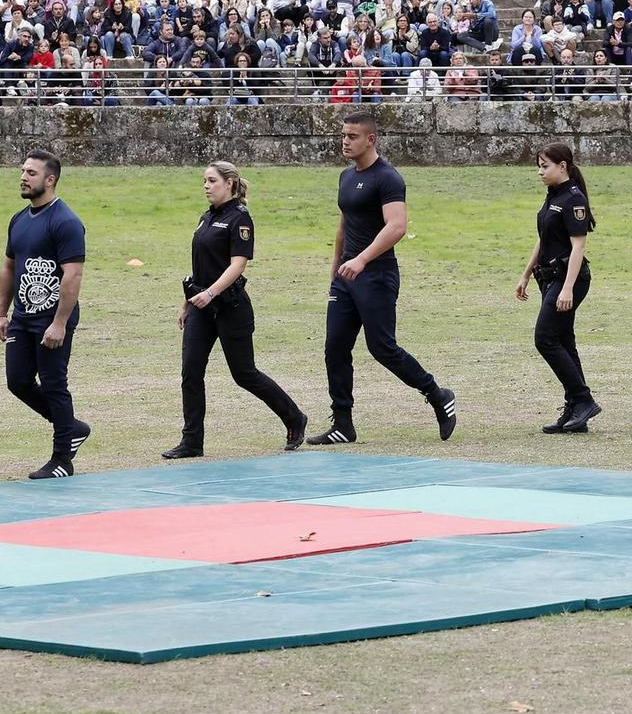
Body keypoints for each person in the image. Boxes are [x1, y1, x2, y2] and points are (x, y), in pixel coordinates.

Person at [307, 111, 457, 445]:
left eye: (352, 136)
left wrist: (361, 260)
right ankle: (343, 424)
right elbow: (345, 226)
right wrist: (337, 267)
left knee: (382, 348)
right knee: (335, 347)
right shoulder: (346, 177)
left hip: (376, 275)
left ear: (370, 139)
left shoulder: (387, 178)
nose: (345, 141)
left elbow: (397, 226)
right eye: (343, 135)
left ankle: (437, 394)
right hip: (346, 277)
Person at [164, 161, 307, 459]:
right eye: (204, 180)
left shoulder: (239, 219)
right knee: (190, 373)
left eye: (212, 181)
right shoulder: (205, 218)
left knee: (244, 374)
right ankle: (192, 441)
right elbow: (199, 267)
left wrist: (211, 292)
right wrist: (188, 303)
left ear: (229, 183)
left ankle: (294, 418)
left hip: (230, 306)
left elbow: (237, 264)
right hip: (201, 308)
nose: (206, 186)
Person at [0, 150, 91, 477]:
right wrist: (1, 313)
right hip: (22, 318)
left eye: (31, 173)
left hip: (53, 320)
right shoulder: (19, 219)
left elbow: (73, 275)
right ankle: (72, 428)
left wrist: (60, 323)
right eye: (22, 171)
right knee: (18, 381)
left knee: (53, 383)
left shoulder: (66, 221)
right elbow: (9, 267)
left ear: (50, 180)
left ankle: (62, 459)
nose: (23, 177)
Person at [516, 143, 599, 433]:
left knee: (545, 338)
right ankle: (577, 410)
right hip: (549, 277)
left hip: (568, 278)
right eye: (539, 166)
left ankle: (583, 399)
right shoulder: (553, 196)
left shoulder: (573, 199)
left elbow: (578, 247)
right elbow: (543, 239)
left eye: (545, 166)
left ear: (562, 166)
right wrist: (526, 274)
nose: (540, 171)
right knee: (563, 341)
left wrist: (568, 289)